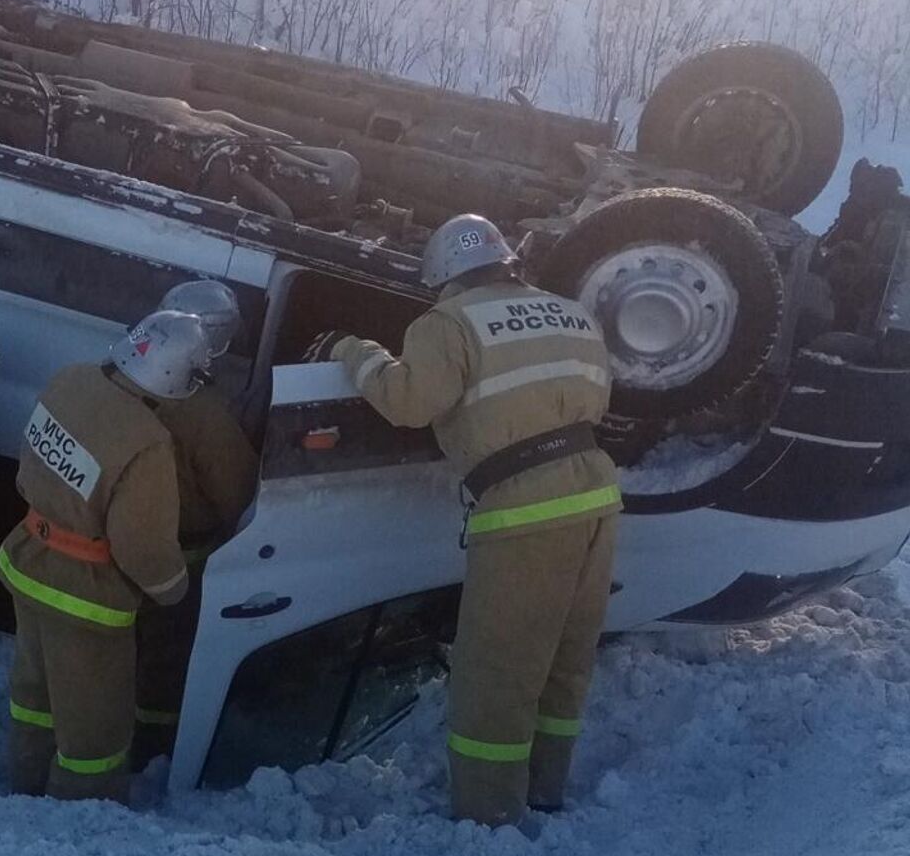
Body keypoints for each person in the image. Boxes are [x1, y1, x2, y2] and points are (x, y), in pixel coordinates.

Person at [326, 214, 620, 827]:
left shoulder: (448, 322)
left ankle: (487, 822)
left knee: (495, 676)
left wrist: (354, 352)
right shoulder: (570, 312)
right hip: (596, 496)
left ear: (445, 278)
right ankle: (544, 790)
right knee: (565, 659)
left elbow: (407, 402)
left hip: (525, 509)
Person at [0, 310, 205, 803]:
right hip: (84, 601)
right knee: (94, 730)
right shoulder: (148, 442)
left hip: (28, 563)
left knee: (35, 695)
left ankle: (22, 787)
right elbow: (142, 544)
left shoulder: (70, 380)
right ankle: (78, 816)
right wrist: (174, 589)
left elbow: (29, 466)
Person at [132, 280, 259, 766]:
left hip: (120, 541)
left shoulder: (120, 378)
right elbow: (238, 491)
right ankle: (153, 744)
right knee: (167, 653)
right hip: (182, 553)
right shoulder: (205, 413)